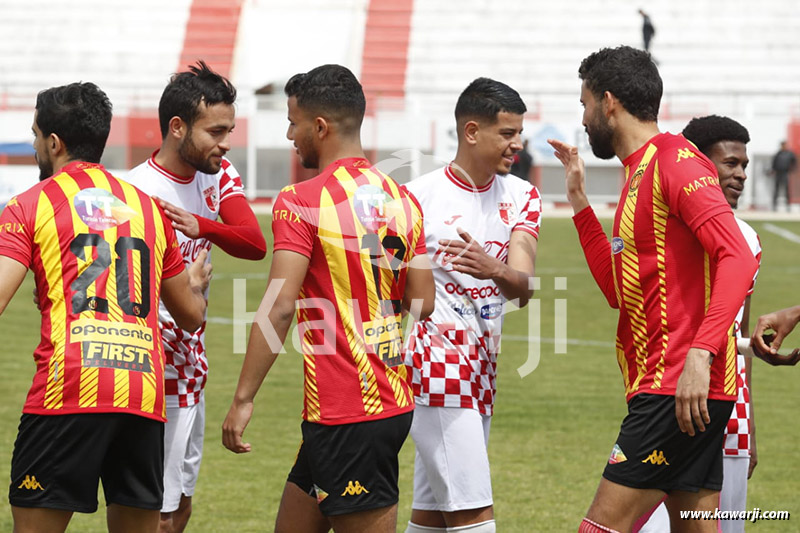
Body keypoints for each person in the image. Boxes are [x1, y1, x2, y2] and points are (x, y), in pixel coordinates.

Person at [548, 46, 758, 533]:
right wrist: (579, 201)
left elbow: (738, 256)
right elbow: (618, 291)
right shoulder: (639, 173)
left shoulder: (676, 162)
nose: (582, 119)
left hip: (677, 387)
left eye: (584, 105)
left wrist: (700, 355)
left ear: (608, 102)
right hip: (677, 389)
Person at [221, 64, 435, 533]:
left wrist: (242, 399)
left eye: (294, 122)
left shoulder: (301, 200)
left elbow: (279, 307)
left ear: (320, 127)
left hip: (349, 412)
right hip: (379, 400)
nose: (290, 133)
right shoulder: (405, 201)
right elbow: (423, 303)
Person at [0, 82, 210, 533]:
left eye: (37, 136)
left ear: (53, 143)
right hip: (141, 394)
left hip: (69, 390)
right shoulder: (148, 209)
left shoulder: (29, 205)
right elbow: (192, 316)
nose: (37, 145)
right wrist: (193, 283)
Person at [124, 60, 266, 533]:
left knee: (181, 504)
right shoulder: (134, 191)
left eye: (229, 130)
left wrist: (200, 225)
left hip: (191, 364)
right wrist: (184, 288)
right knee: (155, 511)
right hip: (148, 365)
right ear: (177, 127)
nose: (226, 143)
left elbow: (252, 242)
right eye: (216, 131)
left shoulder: (217, 174)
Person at [403, 77, 541, 533]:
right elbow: (386, 289)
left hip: (482, 370)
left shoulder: (522, 196)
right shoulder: (415, 198)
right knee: (474, 515)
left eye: (519, 133)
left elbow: (523, 286)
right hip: (434, 370)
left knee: (433, 518)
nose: (517, 144)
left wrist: (494, 269)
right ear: (471, 131)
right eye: (507, 134)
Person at [636, 115, 761, 533]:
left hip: (729, 416)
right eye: (730, 164)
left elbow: (740, 339)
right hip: (671, 403)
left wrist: (750, 427)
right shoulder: (666, 229)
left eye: (744, 165)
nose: (740, 175)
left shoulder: (748, 239)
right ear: (699, 165)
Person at [769, 140, 796, 211]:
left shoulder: (790, 154)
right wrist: (773, 170)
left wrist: (792, 169)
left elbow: (794, 162)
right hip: (778, 173)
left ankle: (788, 205)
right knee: (776, 189)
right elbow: (773, 163)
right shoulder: (778, 154)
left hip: (785, 173)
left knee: (786, 190)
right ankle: (774, 205)